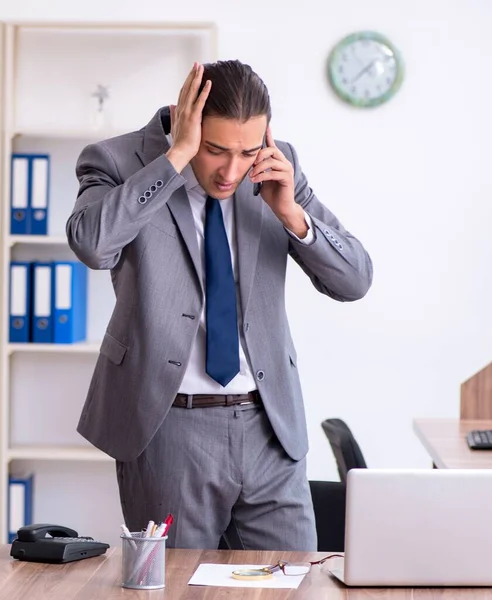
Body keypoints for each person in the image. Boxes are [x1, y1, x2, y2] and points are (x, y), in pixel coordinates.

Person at [66, 59, 373, 551]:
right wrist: (175, 159)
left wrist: (292, 214)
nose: (232, 171)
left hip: (270, 427)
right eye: (214, 150)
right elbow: (92, 244)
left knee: (293, 583)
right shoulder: (116, 160)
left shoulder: (277, 165)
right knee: (180, 588)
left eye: (247, 151)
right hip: (167, 428)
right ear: (184, 121)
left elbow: (355, 279)